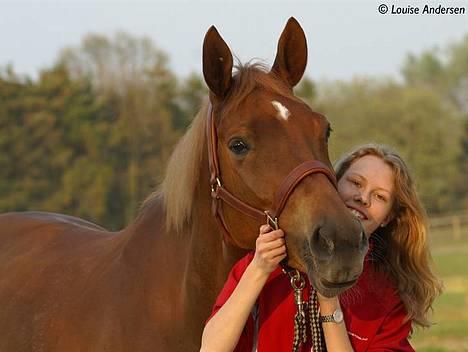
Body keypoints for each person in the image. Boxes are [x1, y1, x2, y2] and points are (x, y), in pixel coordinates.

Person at [200, 144, 442, 352]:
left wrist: (329, 302)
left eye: (379, 197)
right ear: (332, 184)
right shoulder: (268, 260)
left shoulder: (387, 297)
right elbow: (211, 348)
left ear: (387, 217)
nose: (363, 198)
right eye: (355, 183)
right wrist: (259, 270)